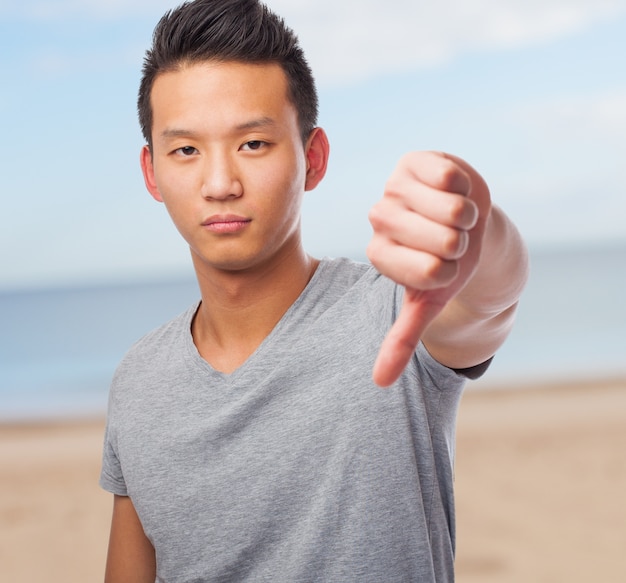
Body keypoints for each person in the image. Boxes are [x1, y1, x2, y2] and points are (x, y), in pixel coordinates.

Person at [100, 0, 529, 581]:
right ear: (152, 172)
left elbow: (487, 299)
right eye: (186, 150)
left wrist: (476, 228)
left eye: (253, 144)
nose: (220, 183)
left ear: (314, 158)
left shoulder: (387, 316)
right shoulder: (138, 380)